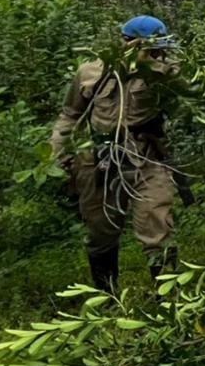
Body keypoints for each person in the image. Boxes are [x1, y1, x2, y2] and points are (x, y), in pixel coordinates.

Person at [50, 15, 186, 292]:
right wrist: (60, 154)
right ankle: (107, 297)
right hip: (99, 161)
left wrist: (154, 69)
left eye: (161, 50)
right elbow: (70, 114)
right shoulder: (90, 73)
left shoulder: (166, 73)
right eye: (152, 48)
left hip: (147, 158)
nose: (158, 54)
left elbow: (192, 89)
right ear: (127, 44)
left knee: (157, 224)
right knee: (102, 232)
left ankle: (170, 302)